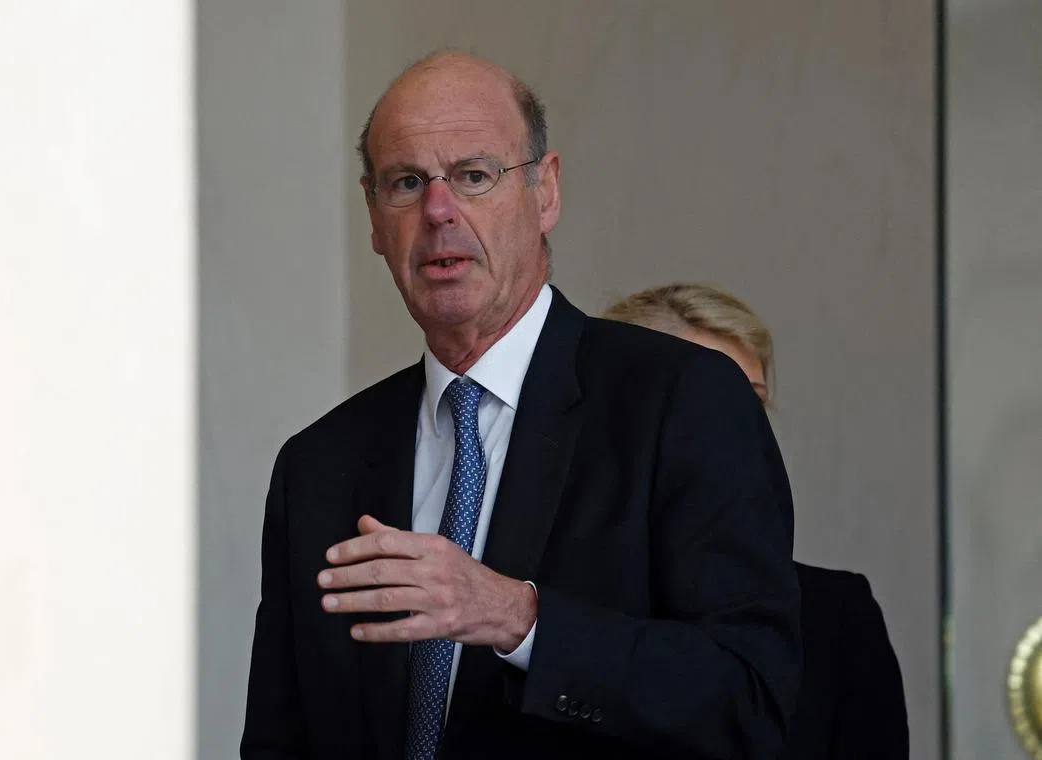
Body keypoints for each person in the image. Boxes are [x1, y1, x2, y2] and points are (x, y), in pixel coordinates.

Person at [241, 51, 801, 760]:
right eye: (407, 182)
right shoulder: (318, 465)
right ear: (375, 220)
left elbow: (748, 701)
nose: (438, 211)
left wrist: (521, 619)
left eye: (474, 175)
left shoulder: (680, 401)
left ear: (546, 193)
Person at [604, 283, 910, 759]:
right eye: (704, 403)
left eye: (753, 404)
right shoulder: (533, 615)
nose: (737, 431)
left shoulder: (835, 619)